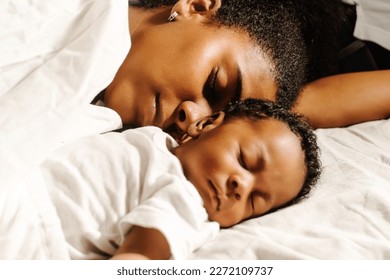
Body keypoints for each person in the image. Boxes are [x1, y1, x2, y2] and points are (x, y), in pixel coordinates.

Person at [36, 99, 320, 260]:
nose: (241, 186)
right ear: (206, 124)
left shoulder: (185, 203)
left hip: (34, 232)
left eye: (254, 202)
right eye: (244, 160)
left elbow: (139, 259)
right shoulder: (154, 138)